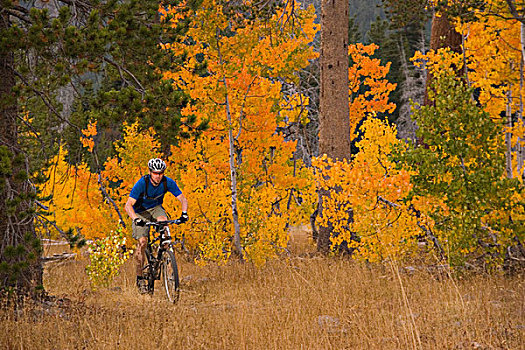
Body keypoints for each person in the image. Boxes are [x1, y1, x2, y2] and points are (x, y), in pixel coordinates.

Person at [125, 158, 188, 293]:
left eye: (160, 173)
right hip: (139, 212)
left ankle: (164, 254)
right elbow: (128, 205)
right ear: (150, 172)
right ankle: (140, 278)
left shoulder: (167, 182)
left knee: (163, 220)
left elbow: (183, 199)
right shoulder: (142, 183)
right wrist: (136, 219)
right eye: (155, 173)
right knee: (142, 242)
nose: (158, 176)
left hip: (155, 208)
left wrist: (184, 214)